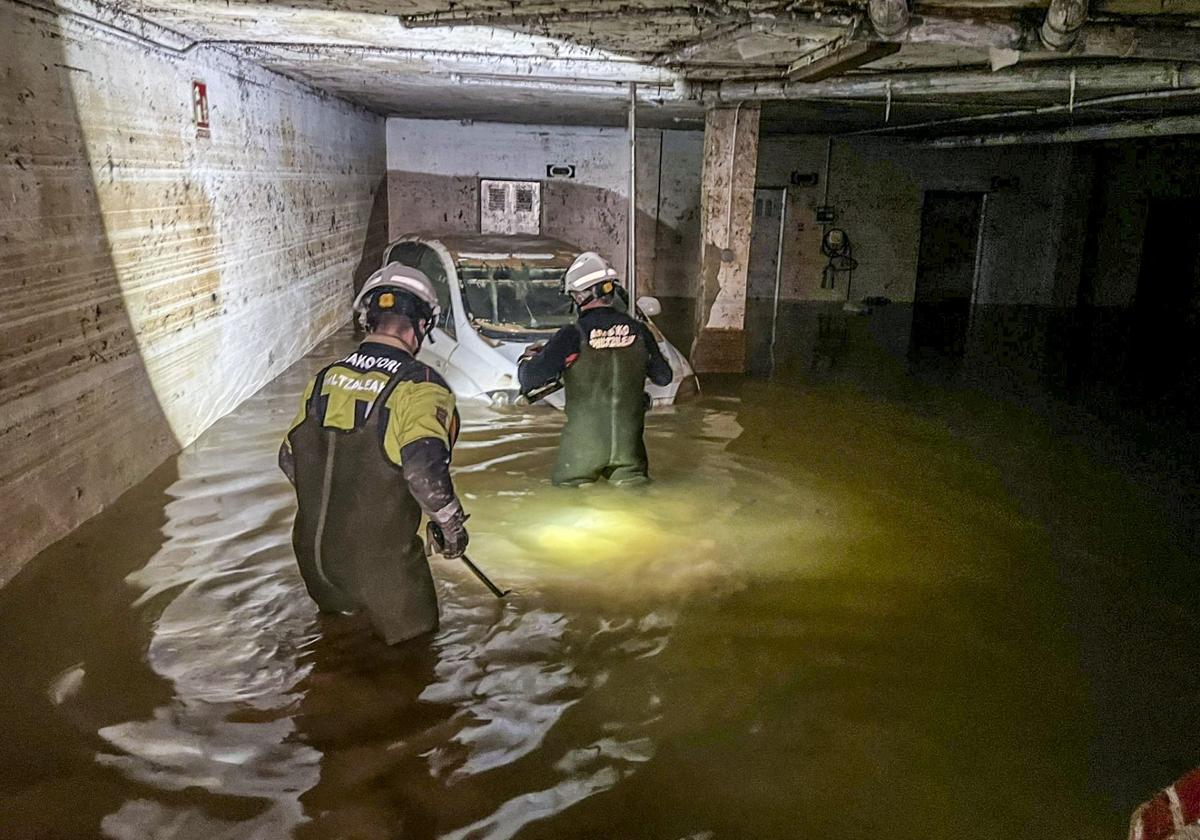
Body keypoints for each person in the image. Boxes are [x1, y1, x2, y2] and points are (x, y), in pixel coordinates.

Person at [279, 263, 468, 645]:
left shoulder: (324, 378)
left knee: (336, 649)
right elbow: (423, 473)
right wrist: (452, 530)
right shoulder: (421, 385)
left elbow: (289, 458)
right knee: (417, 665)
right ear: (424, 324)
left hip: (314, 561)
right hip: (383, 572)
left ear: (369, 318)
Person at [518, 251, 672, 486]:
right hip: (629, 450)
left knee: (570, 503)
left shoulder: (572, 335)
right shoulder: (639, 331)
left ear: (580, 295)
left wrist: (527, 361)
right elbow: (663, 377)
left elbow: (530, 379)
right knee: (635, 499)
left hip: (582, 454)